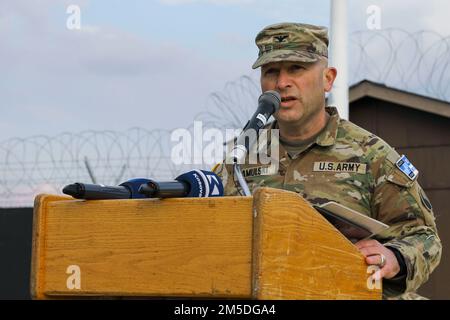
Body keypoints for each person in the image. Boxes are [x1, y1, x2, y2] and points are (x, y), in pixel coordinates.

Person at [212, 22, 441, 299]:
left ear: (328, 79)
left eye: (296, 68)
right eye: (271, 71)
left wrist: (393, 257)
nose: (281, 83)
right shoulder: (239, 158)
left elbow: (423, 236)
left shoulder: (370, 155)